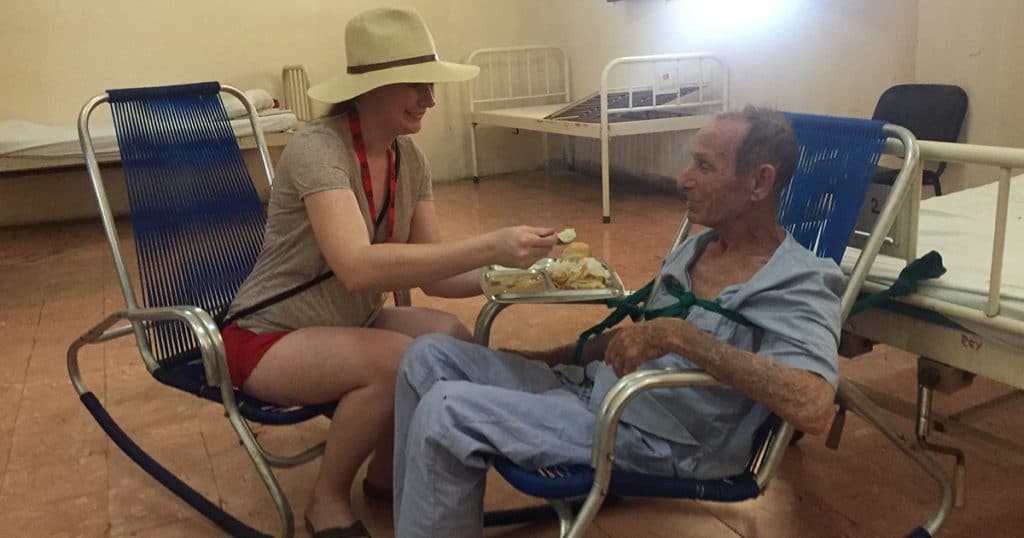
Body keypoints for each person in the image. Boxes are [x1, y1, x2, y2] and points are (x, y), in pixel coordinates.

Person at [392, 107, 847, 537]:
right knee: (425, 356)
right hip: (595, 391)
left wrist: (682, 338)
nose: (683, 179)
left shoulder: (799, 280)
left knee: (448, 411)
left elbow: (813, 405)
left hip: (659, 438)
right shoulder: (698, 248)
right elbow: (637, 338)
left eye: (704, 167)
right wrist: (545, 360)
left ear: (759, 182)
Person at [220, 7, 557, 537]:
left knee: (448, 340)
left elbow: (438, 278)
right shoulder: (318, 149)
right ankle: (326, 500)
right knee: (397, 361)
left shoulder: (409, 159)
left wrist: (524, 271)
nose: (431, 99)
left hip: (345, 323)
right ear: (371, 87)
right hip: (266, 334)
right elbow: (356, 267)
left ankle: (383, 475)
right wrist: (485, 244)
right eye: (417, 85)